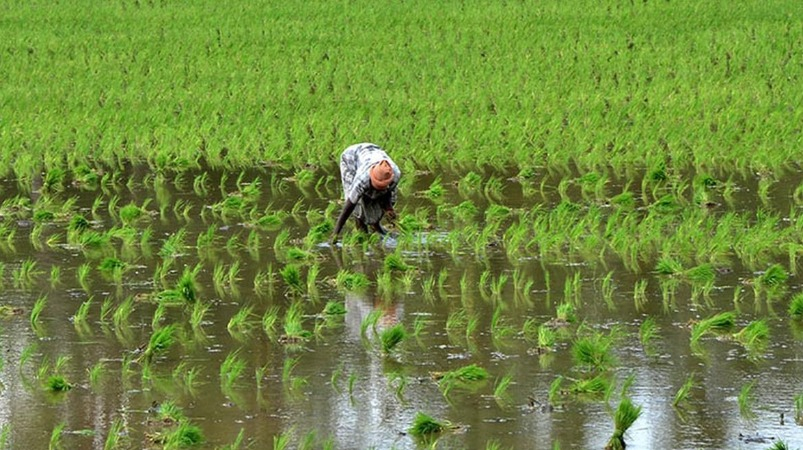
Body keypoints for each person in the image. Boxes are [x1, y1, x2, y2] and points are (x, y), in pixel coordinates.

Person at [331, 143, 401, 243]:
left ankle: (375, 226)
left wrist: (388, 208)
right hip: (350, 159)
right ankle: (361, 231)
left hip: (372, 151)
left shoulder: (395, 174)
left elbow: (388, 193)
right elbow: (349, 206)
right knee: (358, 205)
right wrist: (335, 233)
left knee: (380, 198)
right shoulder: (362, 179)